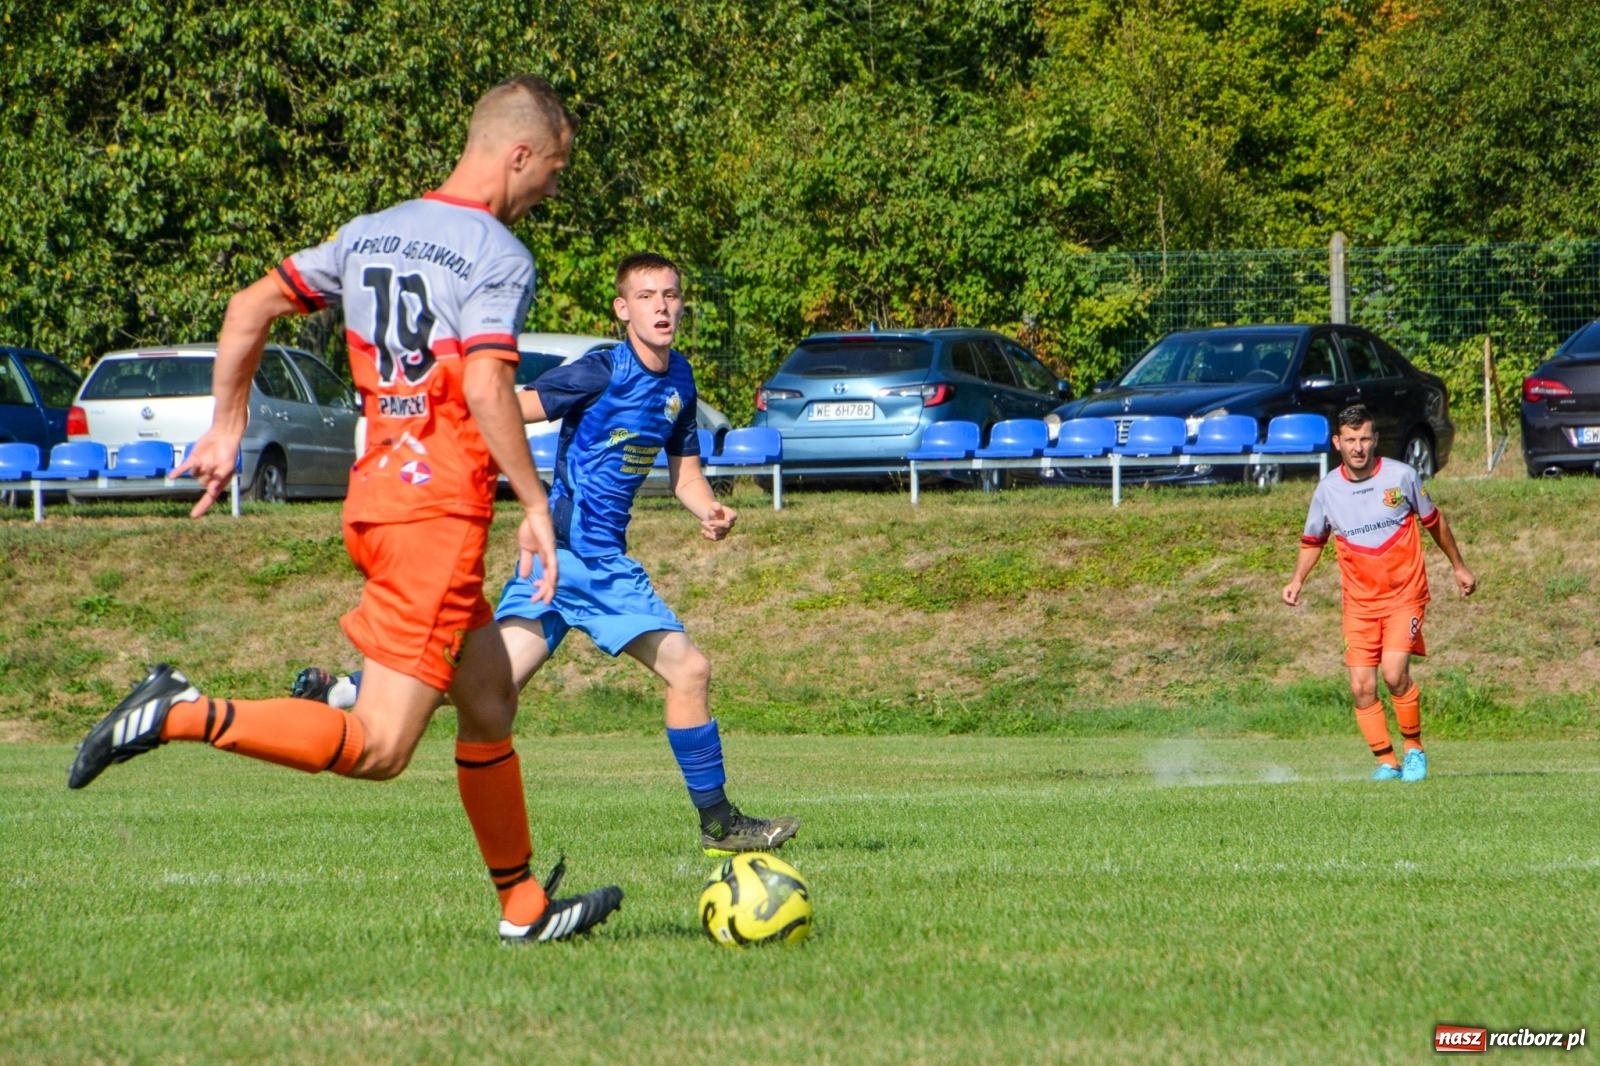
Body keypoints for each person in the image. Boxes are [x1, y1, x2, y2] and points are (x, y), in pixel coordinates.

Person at [67, 75, 623, 943]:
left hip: (379, 504)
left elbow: (251, 304)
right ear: (518, 154)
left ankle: (524, 910)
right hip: (434, 517)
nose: (551, 190)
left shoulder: (370, 233)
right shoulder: (499, 255)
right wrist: (538, 502)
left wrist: (227, 425)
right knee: (379, 746)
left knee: (487, 704)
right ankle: (179, 711)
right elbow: (485, 381)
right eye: (552, 170)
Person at [295, 251, 799, 857]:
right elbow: (510, 409)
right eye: (646, 297)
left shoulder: (681, 381)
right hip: (578, 558)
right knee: (688, 670)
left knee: (490, 686)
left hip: (571, 563)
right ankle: (719, 823)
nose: (661, 307)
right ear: (622, 309)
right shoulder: (598, 371)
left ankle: (348, 691)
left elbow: (686, 474)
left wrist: (708, 510)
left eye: (670, 295)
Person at [1281, 403, 1477, 782]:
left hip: (1405, 593)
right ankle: (1387, 762)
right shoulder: (1327, 490)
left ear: (1375, 440)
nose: (1358, 447)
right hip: (1358, 603)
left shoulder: (1401, 476)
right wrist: (1297, 580)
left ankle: (1415, 751)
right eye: (1350, 440)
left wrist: (1458, 565)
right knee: (1360, 686)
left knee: (1393, 673)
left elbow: (1434, 522)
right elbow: (1313, 539)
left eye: (1365, 438)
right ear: (1338, 442)